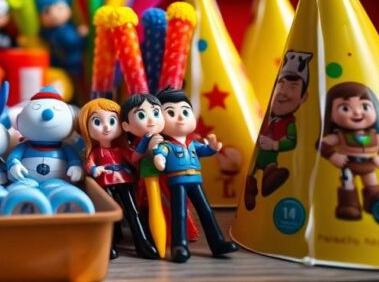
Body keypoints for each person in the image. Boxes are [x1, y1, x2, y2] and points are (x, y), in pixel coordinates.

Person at [152, 89, 238, 262]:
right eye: (171, 112)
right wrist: (159, 159)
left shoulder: (192, 143)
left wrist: (213, 147)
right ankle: (180, 246)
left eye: (185, 111)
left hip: (195, 181)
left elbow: (205, 151)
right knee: (180, 213)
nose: (181, 117)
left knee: (206, 211)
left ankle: (217, 243)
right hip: (177, 182)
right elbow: (159, 153)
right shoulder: (167, 145)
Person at [80, 98, 159, 260]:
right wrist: (95, 169)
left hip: (124, 181)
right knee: (108, 213)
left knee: (133, 212)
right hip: (105, 183)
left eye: (112, 121)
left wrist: (144, 142)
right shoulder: (96, 152)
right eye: (97, 121)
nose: (106, 127)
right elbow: (89, 164)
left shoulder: (120, 150)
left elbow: (134, 157)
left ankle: (142, 242)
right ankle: (108, 245)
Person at [318, 82, 379, 222]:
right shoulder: (339, 136)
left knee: (372, 186)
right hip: (348, 164)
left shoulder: (373, 136)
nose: (358, 112)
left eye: (365, 106)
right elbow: (322, 144)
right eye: (345, 108)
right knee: (348, 185)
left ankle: (374, 201)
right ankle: (349, 205)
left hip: (368, 165)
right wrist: (333, 155)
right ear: (331, 114)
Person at [244, 51, 311, 210]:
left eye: (293, 87)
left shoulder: (290, 124)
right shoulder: (268, 118)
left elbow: (291, 142)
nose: (283, 93)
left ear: (303, 97)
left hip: (271, 156)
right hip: (259, 155)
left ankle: (269, 178)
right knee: (252, 176)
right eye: (281, 85)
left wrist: (274, 145)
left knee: (269, 171)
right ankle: (251, 190)